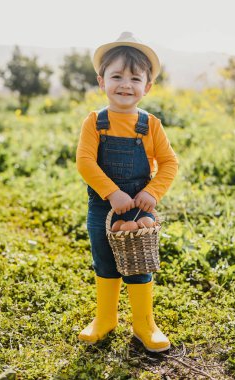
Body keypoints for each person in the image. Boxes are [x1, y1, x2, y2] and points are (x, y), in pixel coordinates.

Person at [76, 32, 178, 352]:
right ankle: (105, 318)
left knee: (139, 264)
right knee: (104, 261)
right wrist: (110, 192)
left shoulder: (151, 125)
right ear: (101, 81)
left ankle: (143, 324)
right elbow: (84, 162)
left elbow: (169, 163)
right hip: (102, 207)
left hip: (138, 206)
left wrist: (153, 192)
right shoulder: (95, 122)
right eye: (116, 76)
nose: (125, 84)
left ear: (147, 87)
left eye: (135, 78)